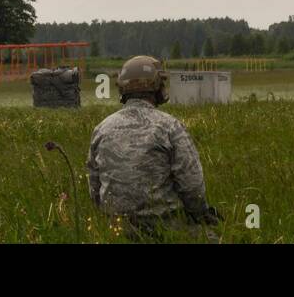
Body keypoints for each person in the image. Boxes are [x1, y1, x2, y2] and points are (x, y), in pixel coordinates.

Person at [87, 55, 220, 240]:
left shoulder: (101, 129)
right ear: (156, 86)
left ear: (123, 89)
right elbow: (192, 187)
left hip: (117, 230)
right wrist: (202, 216)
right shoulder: (170, 126)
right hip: (166, 227)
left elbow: (94, 188)